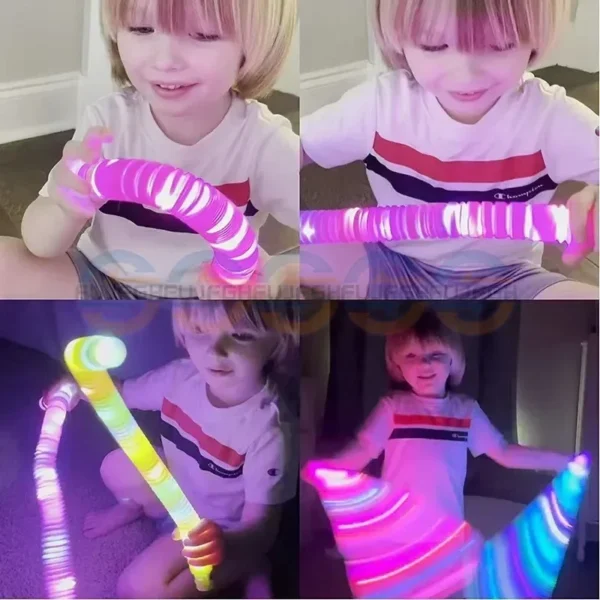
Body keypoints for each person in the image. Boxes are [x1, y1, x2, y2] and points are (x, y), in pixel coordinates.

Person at [0, 0, 299, 300]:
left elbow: (332, 236)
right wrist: (65, 208)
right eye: (142, 28)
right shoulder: (106, 124)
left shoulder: (265, 144)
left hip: (213, 302)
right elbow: (39, 243)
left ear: (256, 44)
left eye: (204, 35)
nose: (165, 61)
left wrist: (278, 275)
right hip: (103, 281)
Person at [300, 0, 599, 300]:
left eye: (498, 45)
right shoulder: (379, 106)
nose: (465, 74)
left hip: (507, 278)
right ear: (400, 40)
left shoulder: (552, 120)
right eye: (433, 46)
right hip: (394, 263)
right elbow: (299, 148)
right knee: (287, 261)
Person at [61, 300, 299, 598]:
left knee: (136, 589)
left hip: (218, 530)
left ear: (278, 341)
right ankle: (131, 508)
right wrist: (82, 386)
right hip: (174, 489)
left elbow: (261, 528)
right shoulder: (178, 378)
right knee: (115, 466)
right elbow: (121, 396)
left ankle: (250, 566)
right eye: (200, 331)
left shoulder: (270, 430)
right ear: (184, 334)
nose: (215, 350)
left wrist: (230, 546)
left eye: (241, 335)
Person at [305, 310, 571, 528]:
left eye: (436, 355)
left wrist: (561, 461)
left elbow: (504, 452)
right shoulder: (392, 408)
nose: (424, 364)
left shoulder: (465, 411)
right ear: (397, 365)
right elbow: (362, 450)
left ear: (453, 362)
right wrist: (325, 469)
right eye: (411, 356)